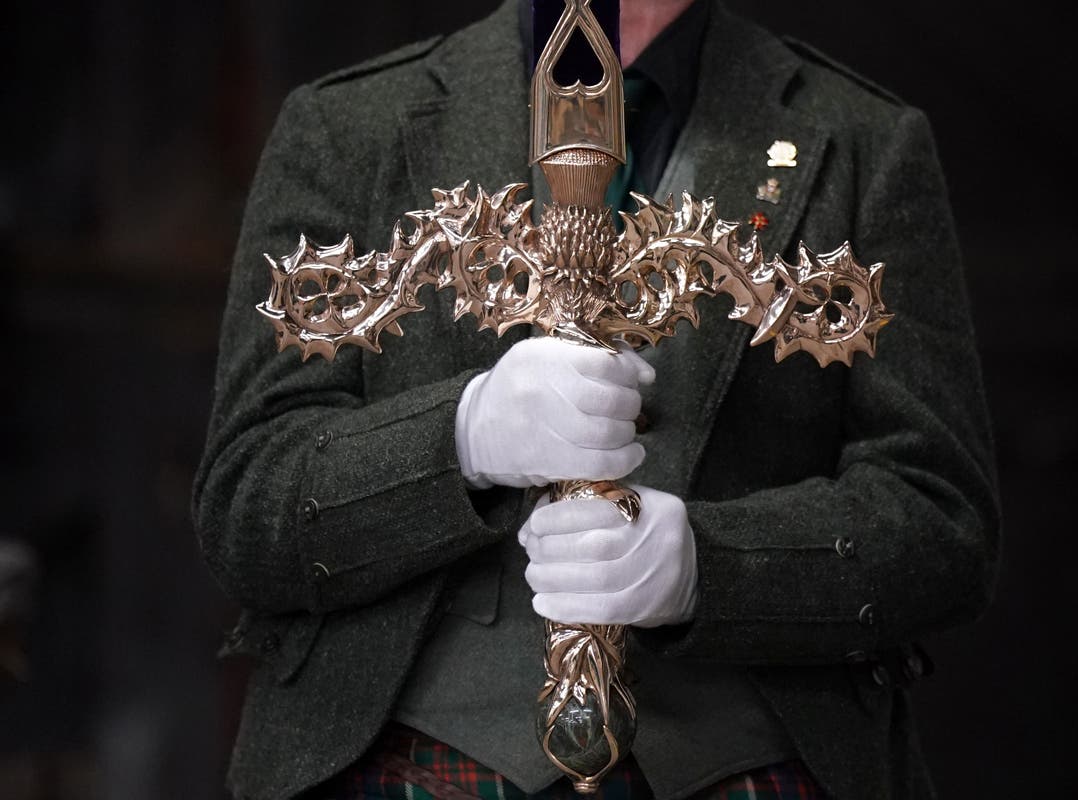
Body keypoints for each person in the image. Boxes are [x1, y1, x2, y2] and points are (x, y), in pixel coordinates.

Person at [191, 1, 1001, 798]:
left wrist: (709, 568)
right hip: (400, 755)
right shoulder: (350, 126)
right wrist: (462, 436)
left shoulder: (861, 138)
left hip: (753, 761)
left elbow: (941, 520)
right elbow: (247, 505)